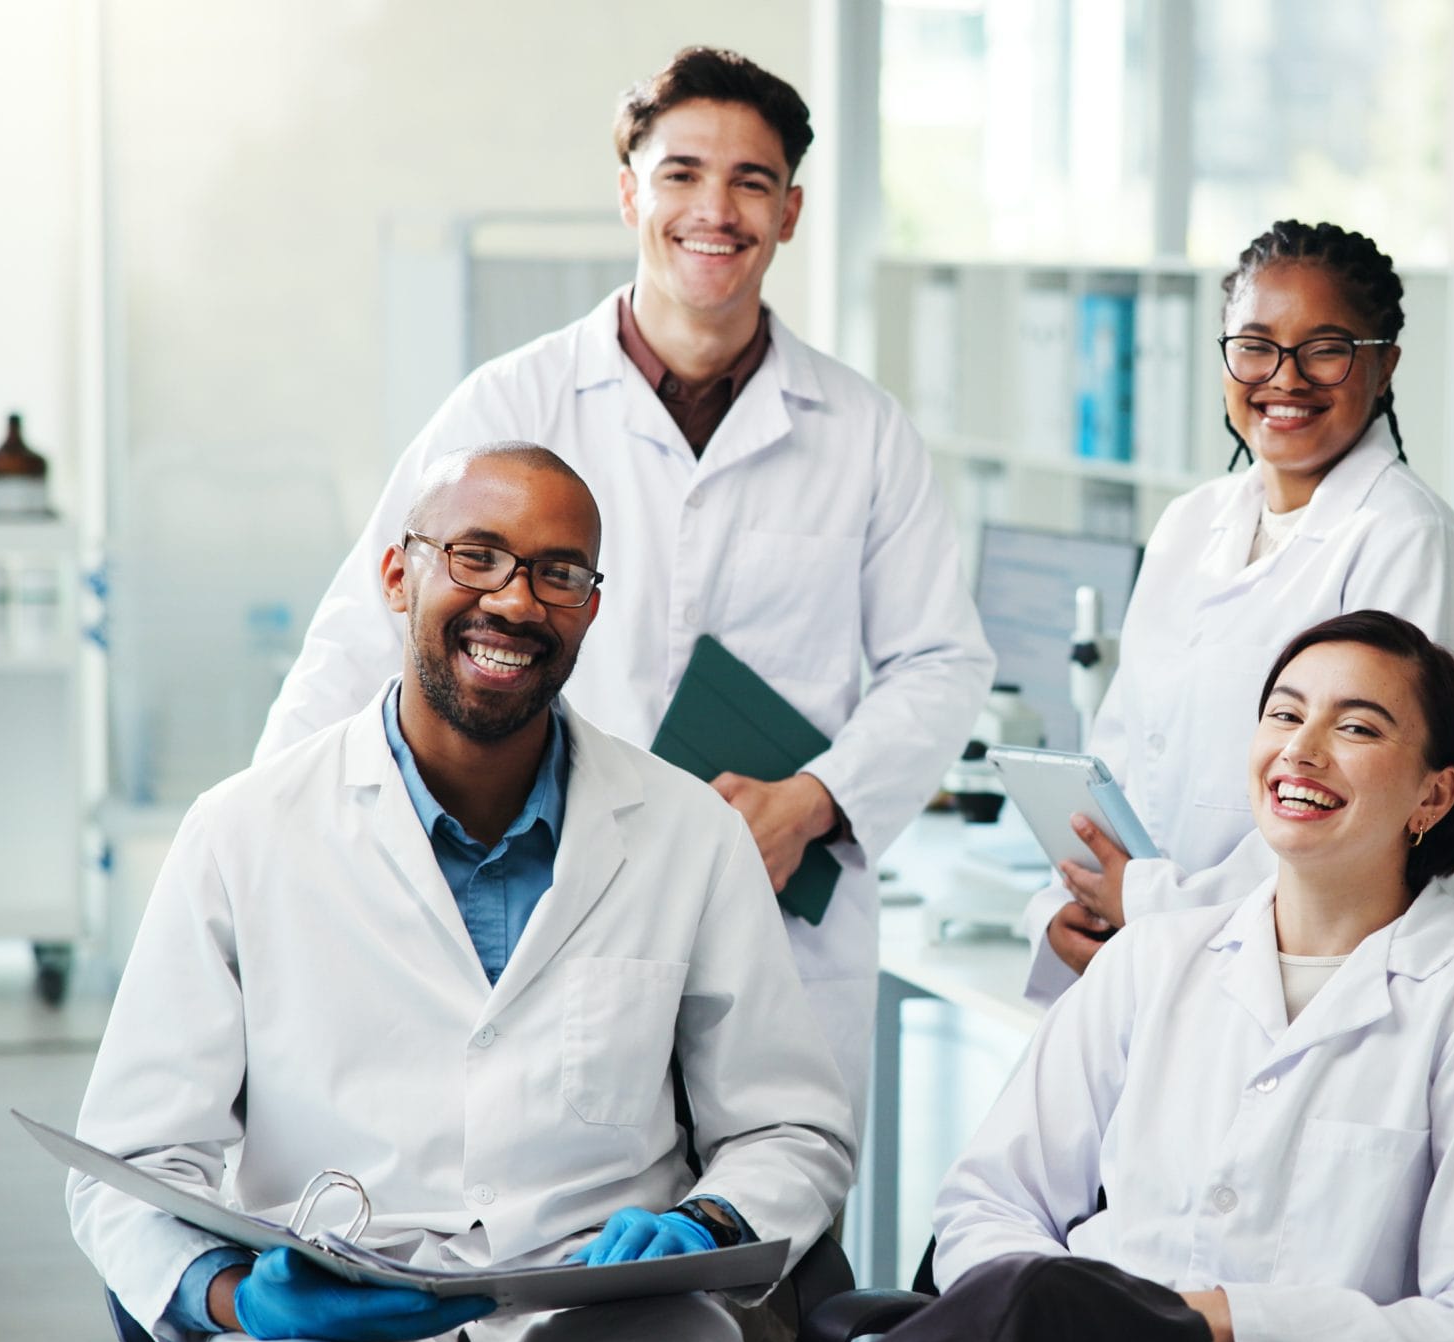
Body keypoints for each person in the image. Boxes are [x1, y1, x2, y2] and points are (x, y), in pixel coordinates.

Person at [257, 47, 992, 1108]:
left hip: (772, 908)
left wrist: (813, 803)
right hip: (541, 892)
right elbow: (365, 632)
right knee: (545, 1209)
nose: (715, 209)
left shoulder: (864, 432)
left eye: (751, 181)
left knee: (764, 1218)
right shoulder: (508, 405)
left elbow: (939, 659)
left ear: (789, 213)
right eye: (682, 173)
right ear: (628, 193)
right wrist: (252, 843)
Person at [70, 445, 856, 1342]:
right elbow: (126, 1165)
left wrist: (711, 1221)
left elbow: (792, 1128)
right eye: (476, 557)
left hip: (608, 1318)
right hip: (333, 1323)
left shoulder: (689, 832)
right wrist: (237, 1297)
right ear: (399, 576)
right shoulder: (241, 832)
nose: (515, 602)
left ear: (590, 610)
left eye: (557, 575)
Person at [908, 610, 1454, 1342]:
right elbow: (988, 1200)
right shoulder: (1150, 960)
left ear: (1434, 797)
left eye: (1357, 728)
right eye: (1284, 714)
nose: (1301, 749)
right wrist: (1059, 1318)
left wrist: (1219, 1323)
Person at [1019, 221, 1454, 1005]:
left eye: (1325, 348)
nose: (1284, 377)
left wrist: (1147, 906)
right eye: (1253, 345)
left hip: (1333, 974)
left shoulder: (1408, 541)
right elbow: (1120, 754)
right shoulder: (1188, 524)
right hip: (1157, 957)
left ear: (1383, 365)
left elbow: (1371, 804)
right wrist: (1068, 905)